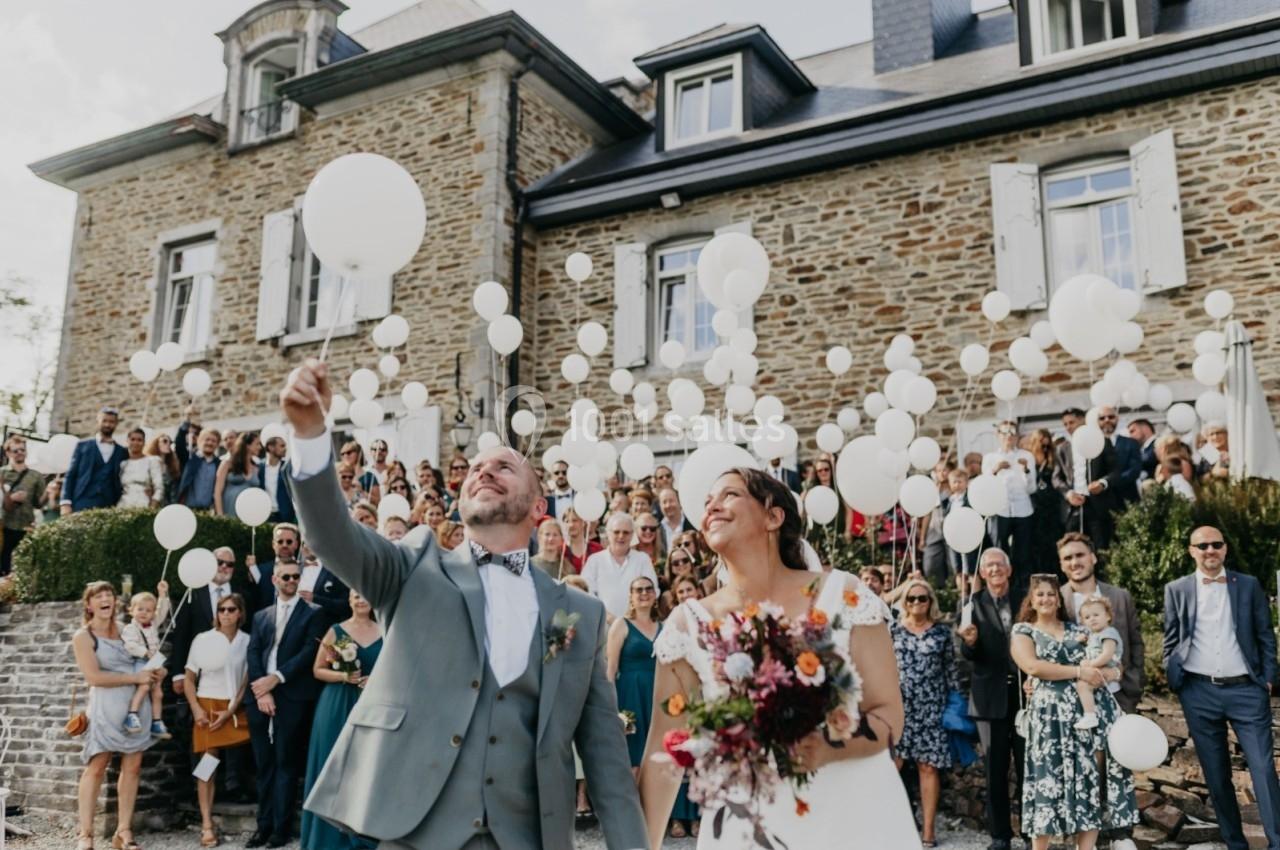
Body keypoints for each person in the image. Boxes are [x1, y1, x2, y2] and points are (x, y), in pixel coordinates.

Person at [281, 359, 647, 850]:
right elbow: (331, 535)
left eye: (504, 467)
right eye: (476, 468)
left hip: (526, 837)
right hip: (414, 831)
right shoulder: (413, 566)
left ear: (539, 507)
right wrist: (308, 436)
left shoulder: (580, 613)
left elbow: (605, 755)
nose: (484, 471)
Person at [640, 467, 918, 849]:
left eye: (729, 495)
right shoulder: (687, 624)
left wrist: (823, 746)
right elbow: (664, 751)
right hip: (747, 825)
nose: (712, 507)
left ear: (773, 516)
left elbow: (888, 716)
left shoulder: (845, 595)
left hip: (853, 817)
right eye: (707, 502)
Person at [1163, 525, 1280, 850]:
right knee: (1216, 775)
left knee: (1263, 769)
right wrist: (1176, 680)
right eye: (1203, 546)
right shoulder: (1176, 589)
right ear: (1192, 551)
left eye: (1216, 544)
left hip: (1246, 691)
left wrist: (1268, 678)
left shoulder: (1248, 584)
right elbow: (1171, 639)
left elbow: (1265, 635)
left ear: (1225, 549)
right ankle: (1235, 844)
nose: (1210, 550)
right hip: (1198, 692)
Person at [1011, 574, 1136, 850]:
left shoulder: (1078, 629)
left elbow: (1112, 661)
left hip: (1086, 716)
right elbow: (1032, 666)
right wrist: (1079, 672)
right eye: (1040, 594)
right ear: (1031, 600)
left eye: (1051, 594)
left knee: (1088, 781)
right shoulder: (1023, 631)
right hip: (1048, 718)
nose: (1046, 599)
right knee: (1046, 780)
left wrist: (1111, 673)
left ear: (1059, 599)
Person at [71, 581, 164, 850]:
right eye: (98, 596)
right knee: (97, 767)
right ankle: (86, 834)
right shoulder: (83, 637)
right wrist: (134, 677)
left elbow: (146, 658)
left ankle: (123, 831)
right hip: (105, 707)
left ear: (115, 601)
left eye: (109, 595)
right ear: (89, 605)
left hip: (135, 706)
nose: (105, 599)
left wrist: (157, 671)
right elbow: (93, 677)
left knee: (132, 768)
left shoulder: (128, 630)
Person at [245, 560, 327, 848]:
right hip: (260, 697)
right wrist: (262, 690)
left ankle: (280, 830)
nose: (291, 581)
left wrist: (276, 678)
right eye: (286, 577)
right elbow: (253, 652)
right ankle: (262, 826)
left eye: (295, 576)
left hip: (292, 695)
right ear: (274, 580)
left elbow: (308, 652)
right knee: (263, 765)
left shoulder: (313, 613)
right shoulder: (261, 616)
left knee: (286, 762)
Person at [302, 589, 384, 850]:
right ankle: (327, 839)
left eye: (365, 595)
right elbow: (318, 670)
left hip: (372, 704)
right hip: (337, 704)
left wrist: (377, 680)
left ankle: (364, 835)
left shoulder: (386, 630)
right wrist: (343, 676)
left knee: (366, 766)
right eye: (355, 595)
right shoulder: (336, 631)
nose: (361, 599)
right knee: (331, 763)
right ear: (348, 600)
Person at [957, 548, 1025, 850]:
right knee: (994, 771)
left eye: (999, 564)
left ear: (1009, 570)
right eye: (989, 566)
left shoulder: (1025, 599)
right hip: (988, 699)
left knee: (1028, 768)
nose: (995, 569)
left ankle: (1032, 833)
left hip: (1025, 695)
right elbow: (967, 653)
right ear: (982, 573)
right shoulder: (971, 604)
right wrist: (970, 643)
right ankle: (1000, 837)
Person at [891, 579, 957, 848]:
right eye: (911, 598)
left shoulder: (942, 633)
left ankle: (928, 832)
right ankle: (887, 825)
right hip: (899, 708)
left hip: (931, 709)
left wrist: (954, 706)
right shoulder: (893, 630)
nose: (917, 603)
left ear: (930, 601)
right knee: (892, 766)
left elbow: (951, 671)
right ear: (904, 602)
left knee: (928, 768)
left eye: (922, 598)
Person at [183, 592, 251, 848]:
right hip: (207, 705)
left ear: (240, 613)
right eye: (222, 610)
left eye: (231, 609)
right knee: (207, 765)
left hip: (233, 707)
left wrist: (231, 711)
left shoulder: (247, 641)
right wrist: (196, 709)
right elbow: (189, 678)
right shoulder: (203, 639)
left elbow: (245, 681)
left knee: (254, 751)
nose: (226, 614)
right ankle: (207, 824)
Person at [1057, 532, 1144, 712]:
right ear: (1061, 565)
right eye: (1068, 558)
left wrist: (1133, 681)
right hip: (1071, 697)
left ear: (1093, 558)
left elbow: (1136, 643)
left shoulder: (1120, 596)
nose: (1074, 562)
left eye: (1080, 555)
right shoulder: (1056, 600)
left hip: (1118, 694)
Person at [606, 577, 662, 778]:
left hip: (657, 693)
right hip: (631, 694)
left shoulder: (664, 626)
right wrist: (611, 706)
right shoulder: (621, 625)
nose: (644, 593)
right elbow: (611, 669)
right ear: (631, 596)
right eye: (638, 590)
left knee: (657, 755)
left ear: (655, 595)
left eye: (648, 589)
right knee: (634, 758)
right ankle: (631, 797)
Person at [1052, 407, 1120, 550]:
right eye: (1065, 424)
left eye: (1072, 422)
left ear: (1083, 420)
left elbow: (1115, 471)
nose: (1068, 427)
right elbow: (1056, 478)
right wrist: (1068, 493)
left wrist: (1102, 483)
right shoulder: (1062, 448)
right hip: (1073, 506)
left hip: (1098, 505)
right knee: (1074, 546)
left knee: (1101, 547)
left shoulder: (1102, 441)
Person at [983, 421, 1035, 584]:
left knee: (1024, 552)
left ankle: (1023, 586)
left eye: (1012, 433)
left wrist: (1026, 470)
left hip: (1023, 509)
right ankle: (1003, 585)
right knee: (1000, 550)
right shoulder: (990, 458)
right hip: (1000, 510)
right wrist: (995, 470)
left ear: (1017, 436)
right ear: (998, 435)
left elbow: (1032, 488)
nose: (1008, 437)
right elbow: (985, 487)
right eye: (1004, 433)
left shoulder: (1027, 456)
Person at [581, 512, 658, 620]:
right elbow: (586, 594)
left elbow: (653, 591)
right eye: (616, 532)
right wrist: (608, 617)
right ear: (608, 533)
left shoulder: (642, 559)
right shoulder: (594, 560)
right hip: (602, 623)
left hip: (635, 623)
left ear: (632, 535)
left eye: (626, 532)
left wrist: (631, 620)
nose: (621, 536)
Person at [120, 584, 173, 739]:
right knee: (144, 687)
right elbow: (130, 645)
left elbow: (162, 611)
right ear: (131, 610)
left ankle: (156, 722)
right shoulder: (130, 628)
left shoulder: (152, 624)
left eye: (149, 610)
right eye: (140, 609)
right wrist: (145, 652)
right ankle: (132, 715)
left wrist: (162, 595)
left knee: (158, 692)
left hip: (155, 662)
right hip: (141, 661)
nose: (144, 613)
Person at [61, 407, 129, 514]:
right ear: (98, 421)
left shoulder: (122, 451)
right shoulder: (82, 446)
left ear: (116, 424)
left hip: (110, 504)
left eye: (111, 422)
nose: (107, 424)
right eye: (104, 421)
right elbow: (71, 474)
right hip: (82, 500)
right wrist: (65, 502)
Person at [1071, 596, 1122, 730]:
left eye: (1096, 615)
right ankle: (1091, 714)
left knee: (1082, 685)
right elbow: (1094, 647)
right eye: (1087, 617)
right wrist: (1084, 640)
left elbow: (1107, 654)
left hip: (1107, 670)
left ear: (1108, 616)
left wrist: (1091, 664)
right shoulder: (1095, 635)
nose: (1092, 619)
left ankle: (1090, 716)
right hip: (1101, 671)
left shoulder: (1109, 633)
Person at [2, 434, 46, 575]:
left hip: (26, 527)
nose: (20, 453)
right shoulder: (2, 473)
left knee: (23, 569)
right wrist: (10, 498)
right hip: (4, 527)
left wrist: (50, 492)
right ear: (8, 453)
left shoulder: (36, 476)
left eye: (23, 450)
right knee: (3, 567)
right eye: (16, 450)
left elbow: (39, 504)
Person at [1025, 428, 1063, 575]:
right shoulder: (1029, 461)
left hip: (1052, 506)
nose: (1045, 448)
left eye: (1047, 445)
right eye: (1042, 445)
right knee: (1037, 544)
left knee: (1054, 542)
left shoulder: (1053, 459)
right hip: (1035, 506)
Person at [246, 524, 302, 615]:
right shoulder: (260, 570)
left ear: (296, 544)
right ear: (273, 544)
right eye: (280, 541)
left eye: (289, 542)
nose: (284, 545)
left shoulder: (304, 570)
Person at [215, 432, 261, 519]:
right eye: (257, 444)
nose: (260, 447)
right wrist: (220, 515)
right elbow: (217, 491)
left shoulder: (256, 468)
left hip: (249, 514)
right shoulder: (227, 463)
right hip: (229, 512)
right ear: (247, 445)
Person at [117, 427, 164, 509]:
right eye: (132, 439)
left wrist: (152, 507)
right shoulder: (123, 464)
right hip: (123, 506)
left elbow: (159, 488)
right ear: (127, 441)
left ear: (144, 442)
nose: (135, 442)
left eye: (139, 440)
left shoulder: (152, 461)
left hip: (144, 506)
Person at [178, 427, 222, 510]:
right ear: (200, 441)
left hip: (208, 510)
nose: (210, 443)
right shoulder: (190, 459)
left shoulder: (219, 464)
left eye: (213, 441)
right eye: (207, 439)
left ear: (217, 444)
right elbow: (179, 445)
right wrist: (184, 427)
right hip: (188, 508)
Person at [258, 433, 295, 523]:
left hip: (285, 515)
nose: (285, 449)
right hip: (265, 515)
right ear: (271, 447)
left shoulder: (287, 467)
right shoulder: (259, 467)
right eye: (282, 446)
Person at [561, 506, 602, 574]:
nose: (571, 525)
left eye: (575, 520)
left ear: (583, 522)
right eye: (567, 521)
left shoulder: (596, 549)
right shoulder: (561, 550)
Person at [144, 432, 182, 505]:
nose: (168, 444)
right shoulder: (148, 462)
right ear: (156, 443)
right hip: (150, 503)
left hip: (166, 505)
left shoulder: (170, 466)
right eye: (164, 441)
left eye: (170, 442)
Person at [339, 441, 381, 505]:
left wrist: (362, 492)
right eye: (342, 454)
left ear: (359, 454)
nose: (345, 455)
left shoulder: (369, 477)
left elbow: (378, 502)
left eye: (349, 452)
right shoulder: (339, 475)